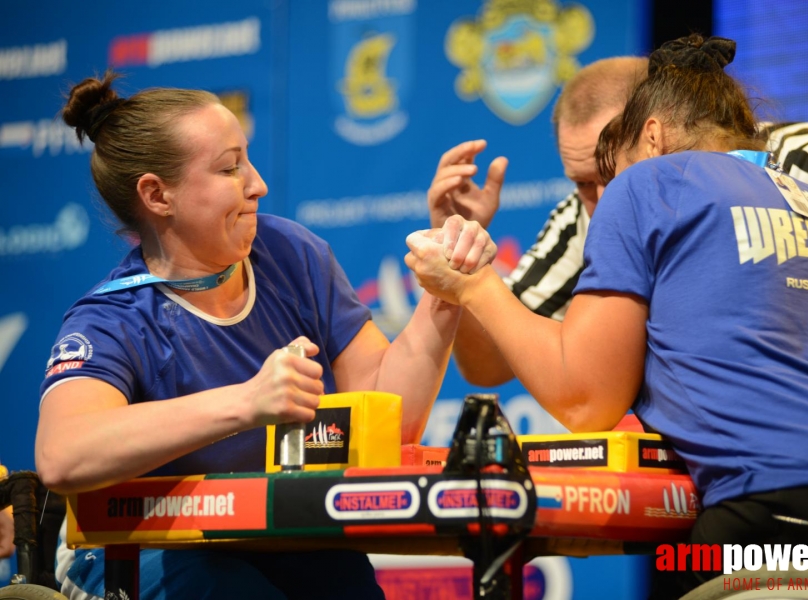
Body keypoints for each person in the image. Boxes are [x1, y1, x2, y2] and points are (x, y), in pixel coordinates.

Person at [407, 35, 808, 598]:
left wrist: (474, 284)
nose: (607, 188)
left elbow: (584, 399)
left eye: (612, 165)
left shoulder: (649, 182)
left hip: (774, 511)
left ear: (651, 134)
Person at [35, 72, 495, 600]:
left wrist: (444, 292)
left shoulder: (288, 252)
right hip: (139, 558)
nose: (258, 184)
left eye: (247, 159)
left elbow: (392, 415)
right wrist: (249, 401)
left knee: (346, 584)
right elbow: (61, 456)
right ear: (157, 194)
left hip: (279, 543)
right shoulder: (112, 316)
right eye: (230, 168)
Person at [429, 59, 808, 387]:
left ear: (656, 130)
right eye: (583, 182)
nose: (602, 199)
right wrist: (462, 252)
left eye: (611, 171)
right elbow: (490, 365)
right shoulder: (582, 216)